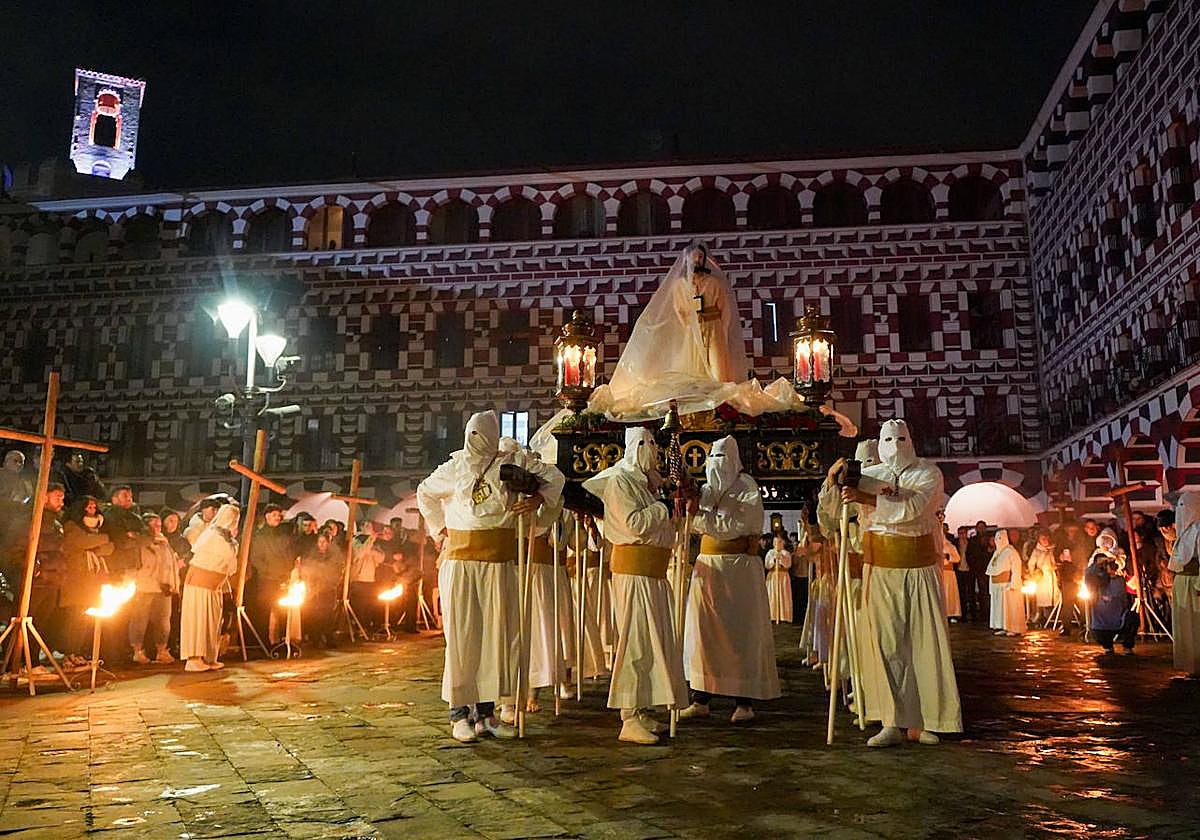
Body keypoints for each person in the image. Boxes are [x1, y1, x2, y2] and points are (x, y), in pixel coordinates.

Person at [417, 410, 563, 744]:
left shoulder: (511, 465)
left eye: (483, 435)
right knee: (463, 637)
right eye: (473, 434)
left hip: (498, 565)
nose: (477, 442)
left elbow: (555, 480)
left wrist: (537, 497)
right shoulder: (454, 468)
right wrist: (440, 531)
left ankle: (485, 714)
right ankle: (459, 714)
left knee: (495, 638)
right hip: (461, 564)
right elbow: (425, 492)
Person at [832, 419, 962, 748]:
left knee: (923, 641)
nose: (895, 443)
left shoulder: (928, 474)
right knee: (886, 643)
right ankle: (890, 720)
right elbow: (833, 514)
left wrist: (869, 499)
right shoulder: (870, 475)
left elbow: (915, 509)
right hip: (882, 568)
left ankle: (925, 719)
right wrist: (834, 484)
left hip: (919, 568)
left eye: (901, 437)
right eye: (888, 438)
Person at [583, 427, 688, 745]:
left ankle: (641, 708)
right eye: (648, 444)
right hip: (634, 575)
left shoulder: (647, 485)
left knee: (653, 643)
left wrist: (673, 511)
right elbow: (634, 524)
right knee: (636, 642)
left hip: (653, 576)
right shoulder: (620, 482)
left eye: (656, 444)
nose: (654, 450)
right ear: (635, 447)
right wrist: (664, 509)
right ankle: (628, 715)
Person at [679, 436, 779, 723]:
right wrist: (690, 500)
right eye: (713, 457)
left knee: (739, 634)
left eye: (721, 458)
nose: (715, 464)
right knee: (703, 632)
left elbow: (737, 526)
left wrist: (699, 518)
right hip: (708, 568)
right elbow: (696, 514)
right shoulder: (709, 490)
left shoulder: (747, 488)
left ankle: (743, 701)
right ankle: (701, 696)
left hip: (738, 571)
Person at [592, 243, 750, 417]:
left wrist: (722, 329)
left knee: (718, 365)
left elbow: (725, 309)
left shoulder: (714, 283)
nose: (697, 260)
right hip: (692, 329)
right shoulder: (680, 285)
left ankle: (722, 403)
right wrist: (690, 326)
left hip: (713, 327)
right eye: (694, 256)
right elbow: (679, 310)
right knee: (691, 363)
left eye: (700, 257)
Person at [180, 503, 239, 672]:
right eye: (233, 518)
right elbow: (225, 557)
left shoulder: (227, 538)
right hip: (201, 584)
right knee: (199, 620)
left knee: (212, 622)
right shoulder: (213, 535)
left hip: (215, 587)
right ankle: (194, 658)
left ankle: (209, 656)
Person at [59, 495, 115, 667]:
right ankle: (68, 653)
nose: (92, 510)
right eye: (88, 507)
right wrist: (102, 539)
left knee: (85, 619)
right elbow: (81, 542)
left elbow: (110, 547)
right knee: (73, 619)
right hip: (76, 580)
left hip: (92, 580)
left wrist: (98, 544)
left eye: (94, 507)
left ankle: (79, 651)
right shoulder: (71, 526)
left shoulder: (96, 530)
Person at [129, 512, 180, 664]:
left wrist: (173, 583)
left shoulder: (165, 542)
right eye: (154, 524)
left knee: (163, 620)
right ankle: (137, 651)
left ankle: (162, 651)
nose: (158, 527)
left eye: (159, 524)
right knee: (140, 619)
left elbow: (170, 565)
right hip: (145, 586)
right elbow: (144, 565)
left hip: (164, 588)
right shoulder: (141, 541)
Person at [248, 503, 297, 644]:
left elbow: (289, 553)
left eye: (278, 515)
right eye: (274, 515)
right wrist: (269, 571)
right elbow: (256, 558)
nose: (277, 518)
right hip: (267, 580)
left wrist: (287, 570)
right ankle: (263, 642)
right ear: (267, 516)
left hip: (282, 579)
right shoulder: (260, 536)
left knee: (283, 610)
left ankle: (283, 640)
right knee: (264, 611)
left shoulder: (283, 535)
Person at [1085, 530, 1137, 654]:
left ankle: (1127, 646)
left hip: (1118, 617)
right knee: (1097, 627)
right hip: (1102, 622)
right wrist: (1099, 565)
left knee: (1132, 618)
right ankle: (1107, 646)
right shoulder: (1096, 581)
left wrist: (1112, 566)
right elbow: (1089, 575)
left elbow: (1117, 593)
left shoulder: (1118, 581)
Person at [1167, 493, 1199, 676]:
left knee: (1196, 624)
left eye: (1184, 506)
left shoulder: (1198, 529)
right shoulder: (1184, 530)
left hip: (1194, 582)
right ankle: (1189, 663)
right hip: (1182, 581)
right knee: (1184, 625)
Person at [101, 485, 149, 576]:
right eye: (125, 496)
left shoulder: (135, 517)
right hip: (117, 566)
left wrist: (135, 536)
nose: (129, 499)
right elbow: (121, 542)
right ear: (114, 499)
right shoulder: (110, 516)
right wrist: (140, 539)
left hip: (133, 564)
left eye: (130, 496)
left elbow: (149, 537)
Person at [986, 529, 1025, 637]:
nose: (998, 541)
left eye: (1000, 538)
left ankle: (1013, 627)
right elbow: (992, 570)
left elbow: (1016, 568)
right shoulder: (996, 553)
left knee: (1010, 608)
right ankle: (1003, 626)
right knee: (1000, 608)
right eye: (996, 538)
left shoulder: (1011, 551)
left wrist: (1014, 583)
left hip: (1007, 585)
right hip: (997, 586)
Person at [1026, 529, 1060, 626]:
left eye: (1047, 539)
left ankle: (1052, 616)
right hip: (1042, 577)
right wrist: (1033, 575)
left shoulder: (1052, 549)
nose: (1046, 541)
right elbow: (1031, 564)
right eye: (1043, 539)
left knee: (1053, 597)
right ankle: (1043, 616)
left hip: (1051, 576)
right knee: (1043, 598)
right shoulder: (1037, 551)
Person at [963, 520, 991, 623]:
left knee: (986, 592)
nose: (981, 529)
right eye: (979, 527)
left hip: (986, 569)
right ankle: (978, 614)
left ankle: (987, 613)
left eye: (983, 527)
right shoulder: (973, 540)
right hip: (976, 569)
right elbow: (969, 554)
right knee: (976, 592)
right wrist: (972, 566)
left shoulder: (988, 540)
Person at [938, 514, 962, 622]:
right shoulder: (934, 546)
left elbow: (957, 558)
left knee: (950, 593)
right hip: (939, 573)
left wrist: (947, 556)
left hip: (949, 572)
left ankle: (952, 613)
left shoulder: (950, 546)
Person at [764, 535, 793, 623]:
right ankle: (773, 615)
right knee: (773, 595)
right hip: (773, 576)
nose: (777, 544)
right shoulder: (770, 552)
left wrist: (781, 558)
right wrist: (773, 560)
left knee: (783, 595)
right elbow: (767, 565)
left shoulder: (786, 553)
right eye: (776, 542)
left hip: (782, 576)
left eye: (779, 542)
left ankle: (784, 616)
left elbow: (788, 565)